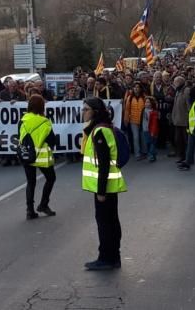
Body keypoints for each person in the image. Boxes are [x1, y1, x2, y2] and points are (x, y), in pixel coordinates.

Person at [81, 97, 126, 271]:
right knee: (111, 221)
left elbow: (104, 164)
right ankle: (113, 256)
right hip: (108, 186)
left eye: (86, 109)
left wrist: (100, 191)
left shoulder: (99, 132)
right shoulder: (103, 129)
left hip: (104, 187)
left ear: (95, 111)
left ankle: (107, 258)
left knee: (105, 223)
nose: (83, 112)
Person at [19, 95, 58, 219]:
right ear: (42, 107)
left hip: (26, 154)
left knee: (31, 182)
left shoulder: (23, 120)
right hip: (41, 156)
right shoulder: (45, 121)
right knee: (51, 178)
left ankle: (29, 210)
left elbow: (19, 136)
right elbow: (52, 140)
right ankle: (43, 204)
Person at [123, 82, 147, 160]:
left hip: (143, 120)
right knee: (135, 137)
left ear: (140, 88)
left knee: (143, 137)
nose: (136, 88)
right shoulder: (129, 98)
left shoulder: (144, 97)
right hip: (133, 120)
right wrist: (126, 120)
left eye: (138, 87)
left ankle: (144, 152)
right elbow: (127, 110)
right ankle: (137, 154)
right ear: (133, 88)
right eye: (135, 87)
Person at [171, 76, 190, 162]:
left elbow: (189, 106)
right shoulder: (178, 91)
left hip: (184, 121)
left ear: (179, 82)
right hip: (177, 120)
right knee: (178, 140)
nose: (174, 84)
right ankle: (181, 156)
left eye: (175, 82)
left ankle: (187, 157)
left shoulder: (186, 91)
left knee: (185, 140)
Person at [142, 96, 160, 162]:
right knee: (148, 143)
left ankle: (151, 155)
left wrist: (153, 132)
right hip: (145, 130)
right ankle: (154, 154)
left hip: (152, 131)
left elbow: (154, 124)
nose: (146, 103)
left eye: (148, 102)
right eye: (145, 102)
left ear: (151, 103)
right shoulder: (144, 110)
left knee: (152, 143)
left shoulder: (153, 112)